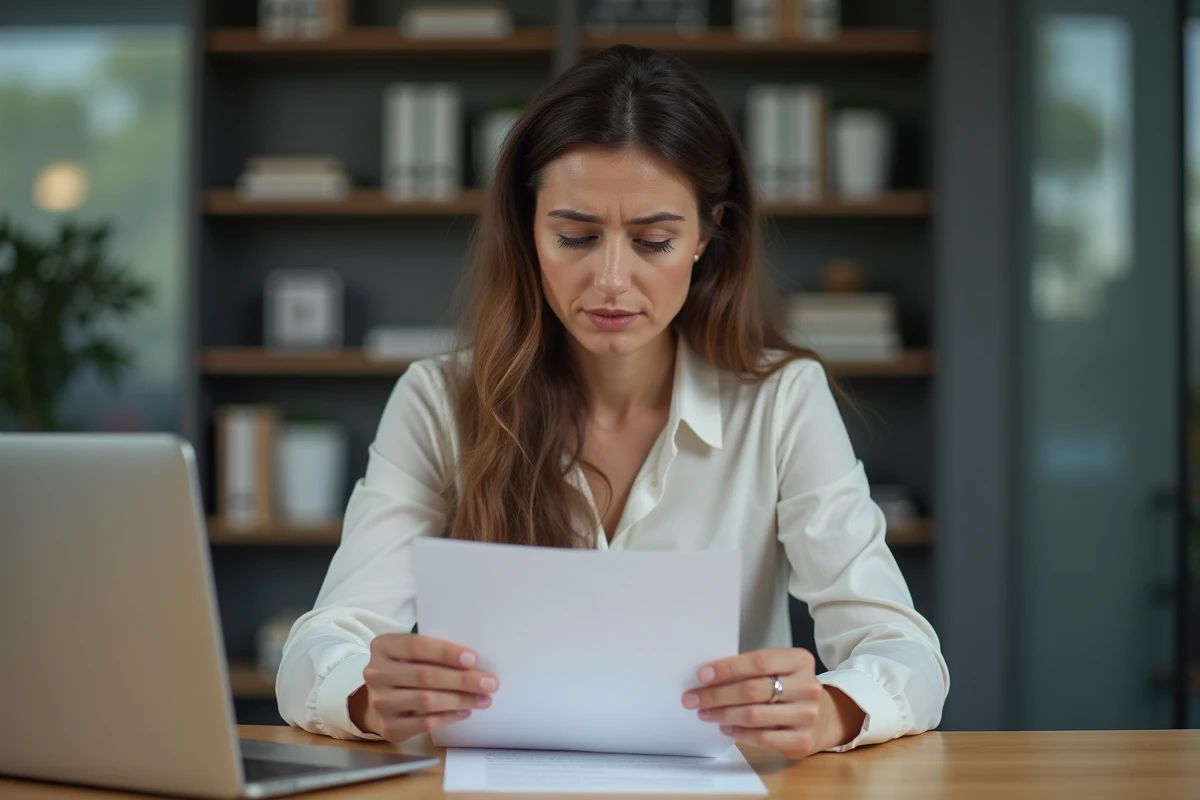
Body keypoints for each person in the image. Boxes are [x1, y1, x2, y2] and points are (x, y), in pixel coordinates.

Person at [277, 44, 948, 760]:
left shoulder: (781, 401)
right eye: (574, 236)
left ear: (706, 237)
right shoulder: (441, 401)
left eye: (654, 241)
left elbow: (905, 655)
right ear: (527, 230)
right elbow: (315, 650)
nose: (611, 282)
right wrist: (367, 694)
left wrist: (827, 712)